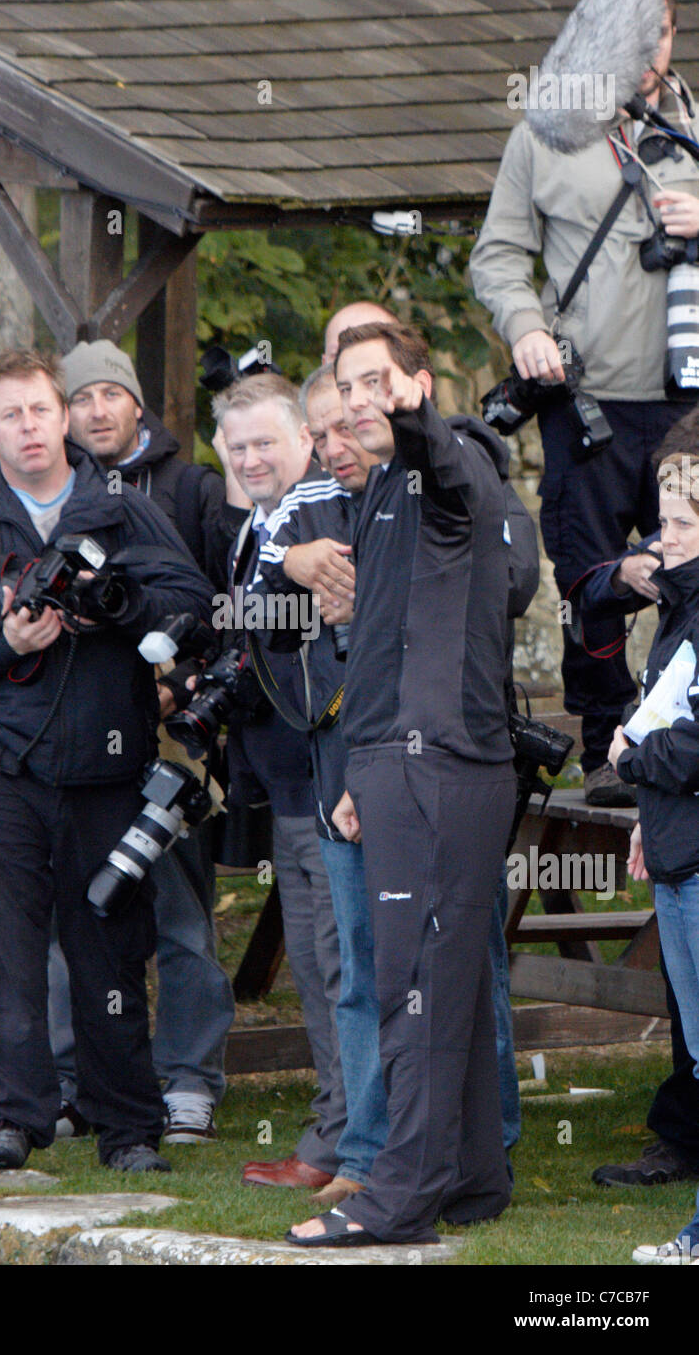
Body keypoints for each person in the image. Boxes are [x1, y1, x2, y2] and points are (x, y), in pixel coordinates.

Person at [0, 348, 213, 1173]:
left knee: (109, 948)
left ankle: (128, 1128)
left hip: (108, 770)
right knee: (2, 948)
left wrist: (116, 609)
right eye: (11, 415)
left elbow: (192, 607)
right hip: (2, 769)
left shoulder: (118, 510)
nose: (30, 427)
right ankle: (9, 1119)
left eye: (42, 410)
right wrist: (2, 640)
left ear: (63, 416)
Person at [289, 322, 516, 1247]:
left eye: (376, 383)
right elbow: (380, 644)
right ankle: (469, 1177)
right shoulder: (376, 489)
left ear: (418, 385)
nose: (357, 401)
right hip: (395, 762)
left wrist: (415, 419)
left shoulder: (445, 457)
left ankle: (401, 1196)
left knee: (412, 983)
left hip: (440, 766)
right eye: (347, 387)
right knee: (443, 978)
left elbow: (445, 466)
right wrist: (355, 770)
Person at [470, 0, 699, 807]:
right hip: (589, 401)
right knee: (595, 582)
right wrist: (525, 327)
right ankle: (606, 752)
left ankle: (688, 741)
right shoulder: (544, 135)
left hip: (691, 402)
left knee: (696, 572)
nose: (655, 52)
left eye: (666, 33)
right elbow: (496, 256)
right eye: (639, 34)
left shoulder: (695, 126)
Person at [49, 339, 244, 1145]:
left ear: (138, 404)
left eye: (110, 394)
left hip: (168, 736)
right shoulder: (54, 495)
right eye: (81, 397)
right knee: (74, 916)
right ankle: (71, 1080)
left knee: (178, 914)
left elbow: (227, 601)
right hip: (77, 740)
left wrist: (184, 678)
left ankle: (189, 1079)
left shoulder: (194, 488)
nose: (97, 410)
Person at [209, 371, 348, 1195]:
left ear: (304, 438)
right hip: (287, 784)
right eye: (239, 446)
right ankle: (338, 1131)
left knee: (338, 969)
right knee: (322, 970)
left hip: (328, 781)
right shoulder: (258, 525)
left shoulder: (318, 515)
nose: (254, 457)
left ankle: (345, 1141)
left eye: (268, 441)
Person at [255, 364, 388, 1207]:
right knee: (352, 969)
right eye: (324, 431)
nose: (336, 445)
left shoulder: (431, 484)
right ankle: (361, 1149)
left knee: (443, 970)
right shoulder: (299, 511)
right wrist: (297, 571)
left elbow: (505, 589)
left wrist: (367, 598)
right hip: (331, 766)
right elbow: (243, 613)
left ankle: (477, 1149)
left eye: (349, 425)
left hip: (427, 761)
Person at [580, 419, 699, 1191]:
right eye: (666, 521)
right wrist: (652, 813)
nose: (667, 538)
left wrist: (632, 760)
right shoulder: (677, 595)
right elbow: (588, 589)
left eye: (684, 523)